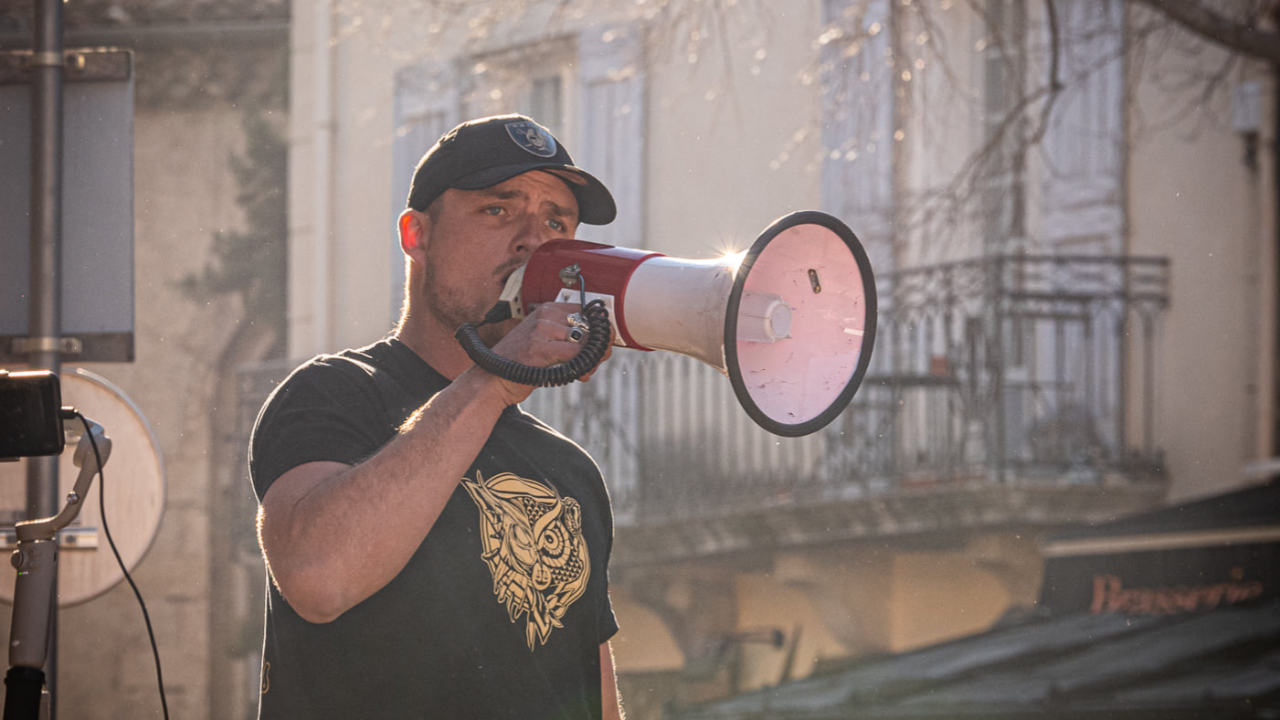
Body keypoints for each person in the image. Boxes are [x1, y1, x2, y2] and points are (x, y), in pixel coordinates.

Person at [249, 114, 624, 720]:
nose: (535, 241)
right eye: (498, 211)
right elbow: (318, 579)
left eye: (557, 222)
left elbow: (595, 695)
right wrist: (496, 379)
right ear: (416, 235)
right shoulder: (334, 394)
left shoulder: (569, 469)